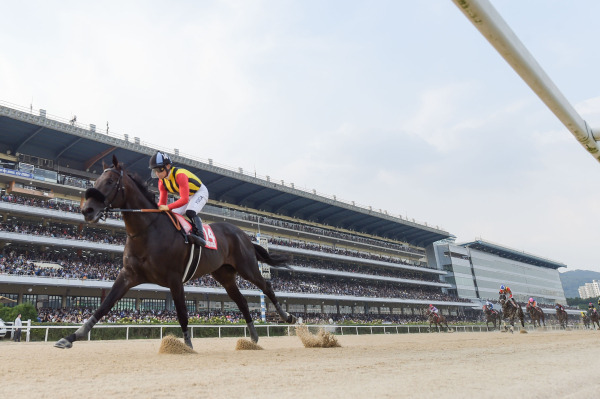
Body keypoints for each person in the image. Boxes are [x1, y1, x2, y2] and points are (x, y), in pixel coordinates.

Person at [149, 151, 208, 246]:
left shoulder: (180, 175)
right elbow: (162, 204)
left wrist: (168, 207)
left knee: (190, 212)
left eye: (159, 170)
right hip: (188, 195)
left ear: (167, 166)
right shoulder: (161, 182)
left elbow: (184, 199)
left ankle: (201, 237)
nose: (157, 174)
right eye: (155, 170)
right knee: (171, 215)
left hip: (199, 192)